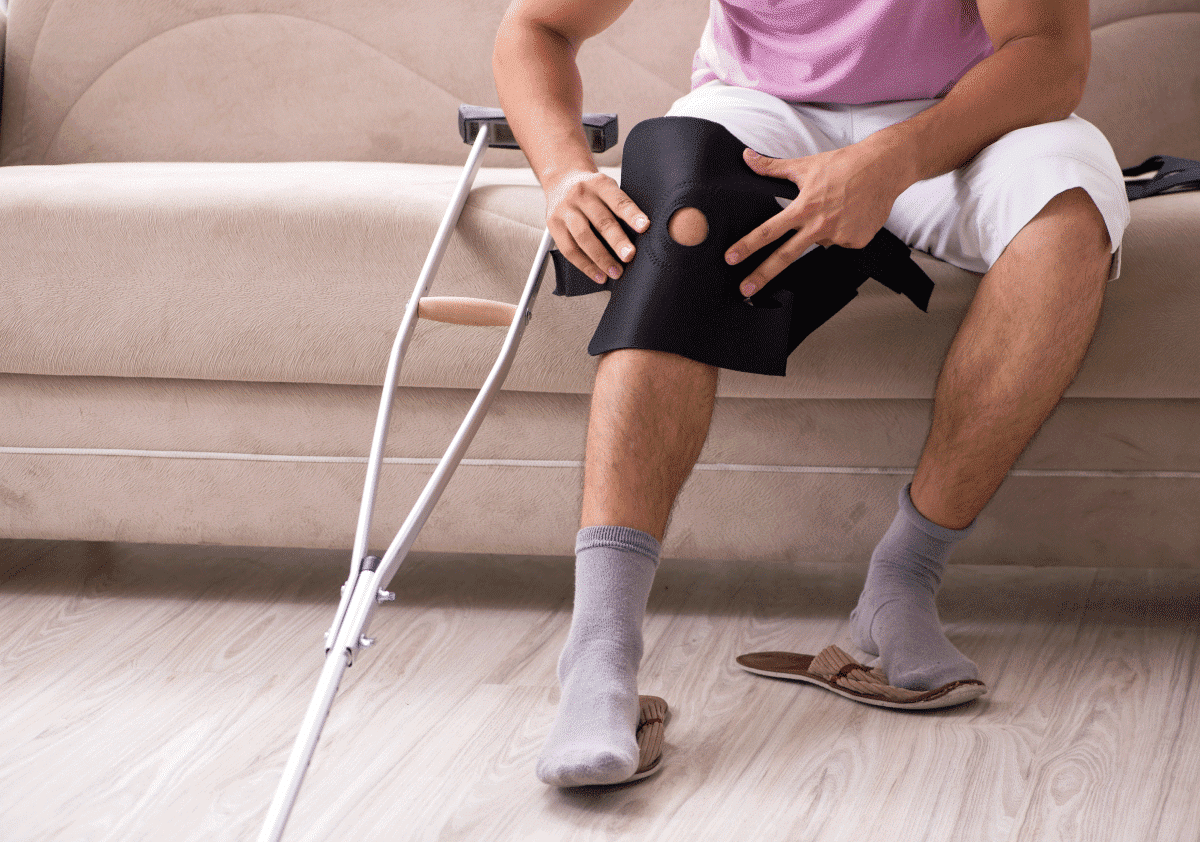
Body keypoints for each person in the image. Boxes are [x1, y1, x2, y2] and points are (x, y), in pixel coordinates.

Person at [492, 0, 1130, 787]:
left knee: (1066, 221)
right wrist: (562, 173)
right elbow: (537, 27)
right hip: (763, 109)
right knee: (678, 227)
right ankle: (598, 657)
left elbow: (1049, 56)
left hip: (965, 111)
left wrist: (896, 157)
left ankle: (903, 580)